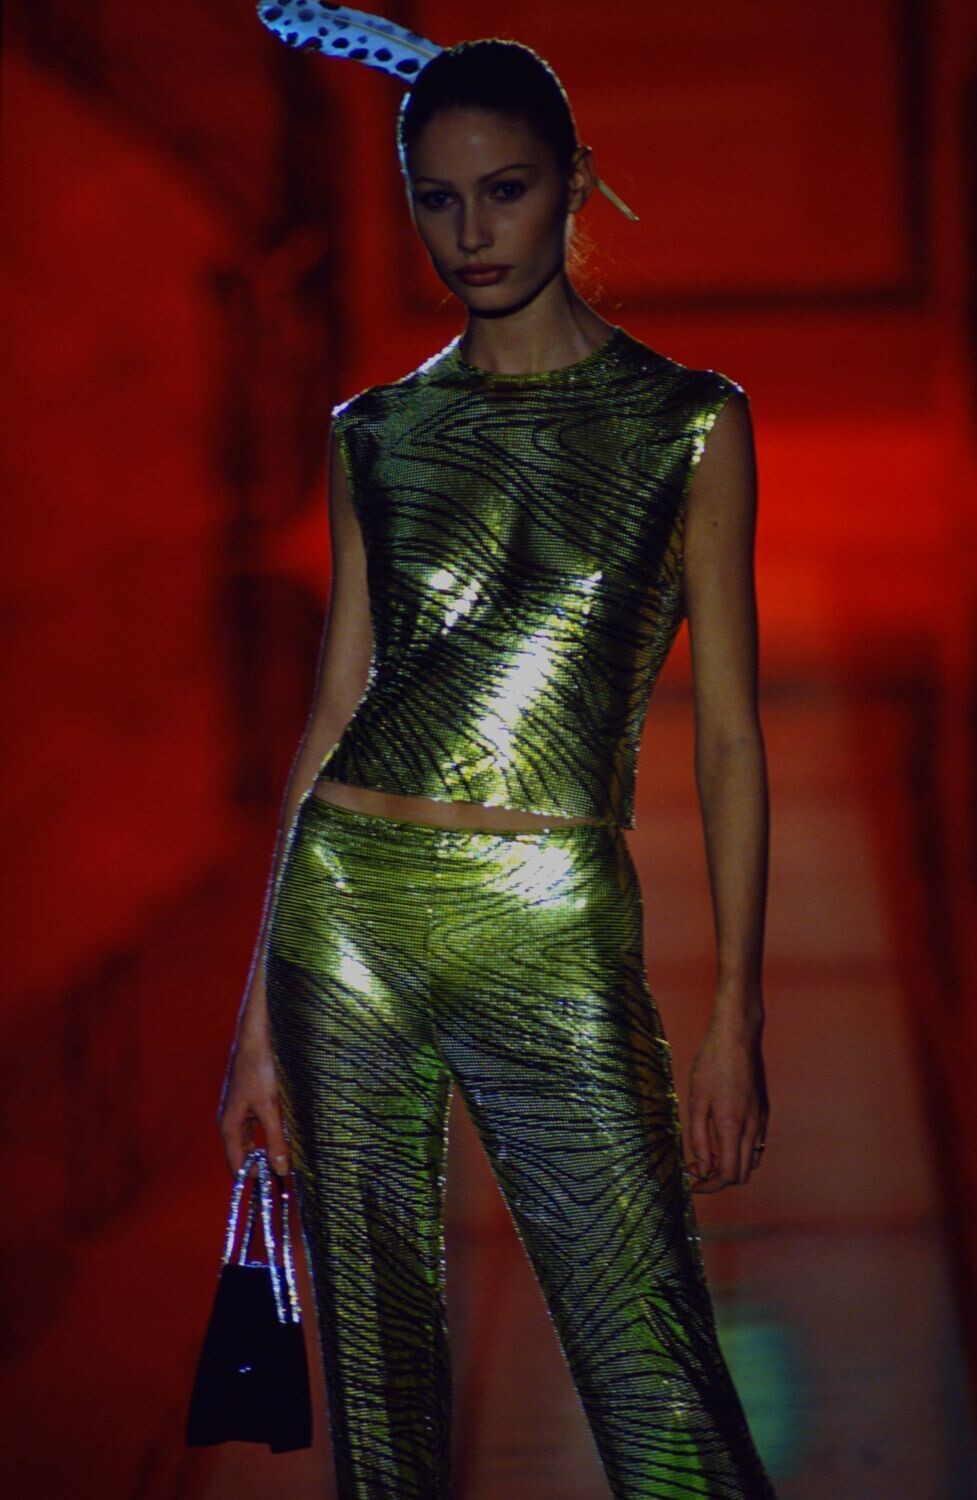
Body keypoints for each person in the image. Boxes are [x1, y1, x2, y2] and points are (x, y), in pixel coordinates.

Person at [219, 23, 777, 1500]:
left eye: (506, 192)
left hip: (552, 927)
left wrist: (734, 1009)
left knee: (660, 1388)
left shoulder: (688, 425)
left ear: (575, 185)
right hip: (347, 923)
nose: (470, 234)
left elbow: (728, 733)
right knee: (381, 1416)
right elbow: (332, 710)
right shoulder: (376, 432)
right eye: (438, 200)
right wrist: (256, 1019)